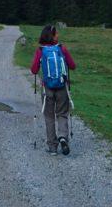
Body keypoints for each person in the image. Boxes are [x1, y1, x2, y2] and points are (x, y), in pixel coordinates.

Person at [30, 24, 76, 155]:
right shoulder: (61, 48)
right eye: (56, 34)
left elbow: (33, 70)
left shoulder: (40, 50)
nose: (58, 35)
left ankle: (52, 147)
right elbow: (72, 66)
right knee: (62, 114)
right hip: (62, 87)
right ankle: (63, 137)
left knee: (49, 116)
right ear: (52, 36)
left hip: (47, 88)